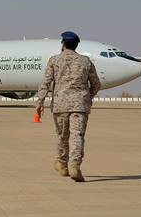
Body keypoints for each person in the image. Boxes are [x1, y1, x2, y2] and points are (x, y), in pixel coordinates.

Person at [35, 31, 101, 182]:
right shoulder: (85, 61)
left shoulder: (54, 60)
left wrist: (39, 103)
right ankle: (74, 165)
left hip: (60, 104)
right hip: (80, 105)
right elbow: (96, 84)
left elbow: (45, 83)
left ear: (63, 44)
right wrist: (87, 97)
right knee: (77, 136)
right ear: (76, 45)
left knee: (62, 136)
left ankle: (61, 162)